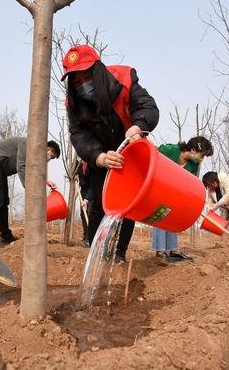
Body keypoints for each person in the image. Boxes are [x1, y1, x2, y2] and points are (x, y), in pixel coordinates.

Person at [63, 44, 159, 263]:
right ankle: (98, 253)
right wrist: (99, 157)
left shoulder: (124, 78)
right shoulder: (74, 103)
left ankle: (119, 254)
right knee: (99, 204)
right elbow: (78, 134)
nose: (81, 84)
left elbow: (148, 107)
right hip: (100, 158)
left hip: (130, 150)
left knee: (129, 205)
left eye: (85, 76)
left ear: (97, 70)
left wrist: (138, 127)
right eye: (75, 80)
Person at [0, 137, 61, 248]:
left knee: (4, 202)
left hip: (0, 168)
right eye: (50, 157)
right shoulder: (28, 144)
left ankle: (6, 236)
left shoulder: (34, 155)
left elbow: (33, 171)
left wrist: (45, 182)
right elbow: (21, 166)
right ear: (48, 149)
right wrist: (29, 189)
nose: (48, 160)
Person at [152, 136, 214, 263]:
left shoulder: (193, 166)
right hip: (157, 187)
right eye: (201, 155)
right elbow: (152, 157)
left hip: (173, 194)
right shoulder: (169, 150)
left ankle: (172, 250)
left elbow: (188, 183)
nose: (201, 159)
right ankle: (160, 251)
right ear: (192, 150)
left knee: (172, 218)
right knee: (160, 216)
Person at [77, 160, 92, 247]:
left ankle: (90, 237)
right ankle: (85, 236)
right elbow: (76, 175)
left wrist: (87, 199)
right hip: (83, 191)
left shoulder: (92, 165)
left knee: (90, 214)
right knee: (83, 214)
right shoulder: (78, 165)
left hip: (92, 190)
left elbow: (94, 185)